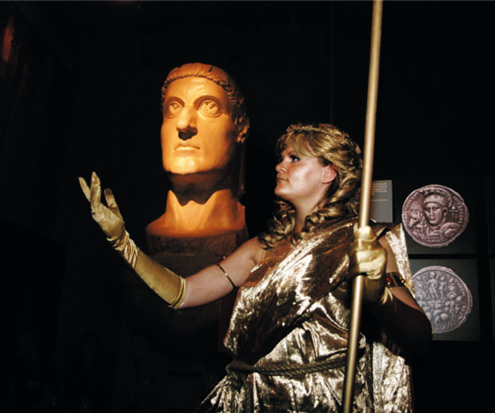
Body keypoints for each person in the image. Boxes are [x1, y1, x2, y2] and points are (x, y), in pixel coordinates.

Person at [80, 122, 432, 412]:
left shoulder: (360, 243)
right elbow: (183, 293)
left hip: (320, 400)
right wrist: (124, 244)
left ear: (329, 172)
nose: (279, 166)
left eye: (294, 158)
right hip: (253, 399)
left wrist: (379, 295)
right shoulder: (261, 248)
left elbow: (419, 336)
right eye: (282, 158)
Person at [146, 62, 250, 239]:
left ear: (241, 127)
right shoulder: (152, 229)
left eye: (209, 106)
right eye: (173, 107)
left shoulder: (258, 228)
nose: (183, 124)